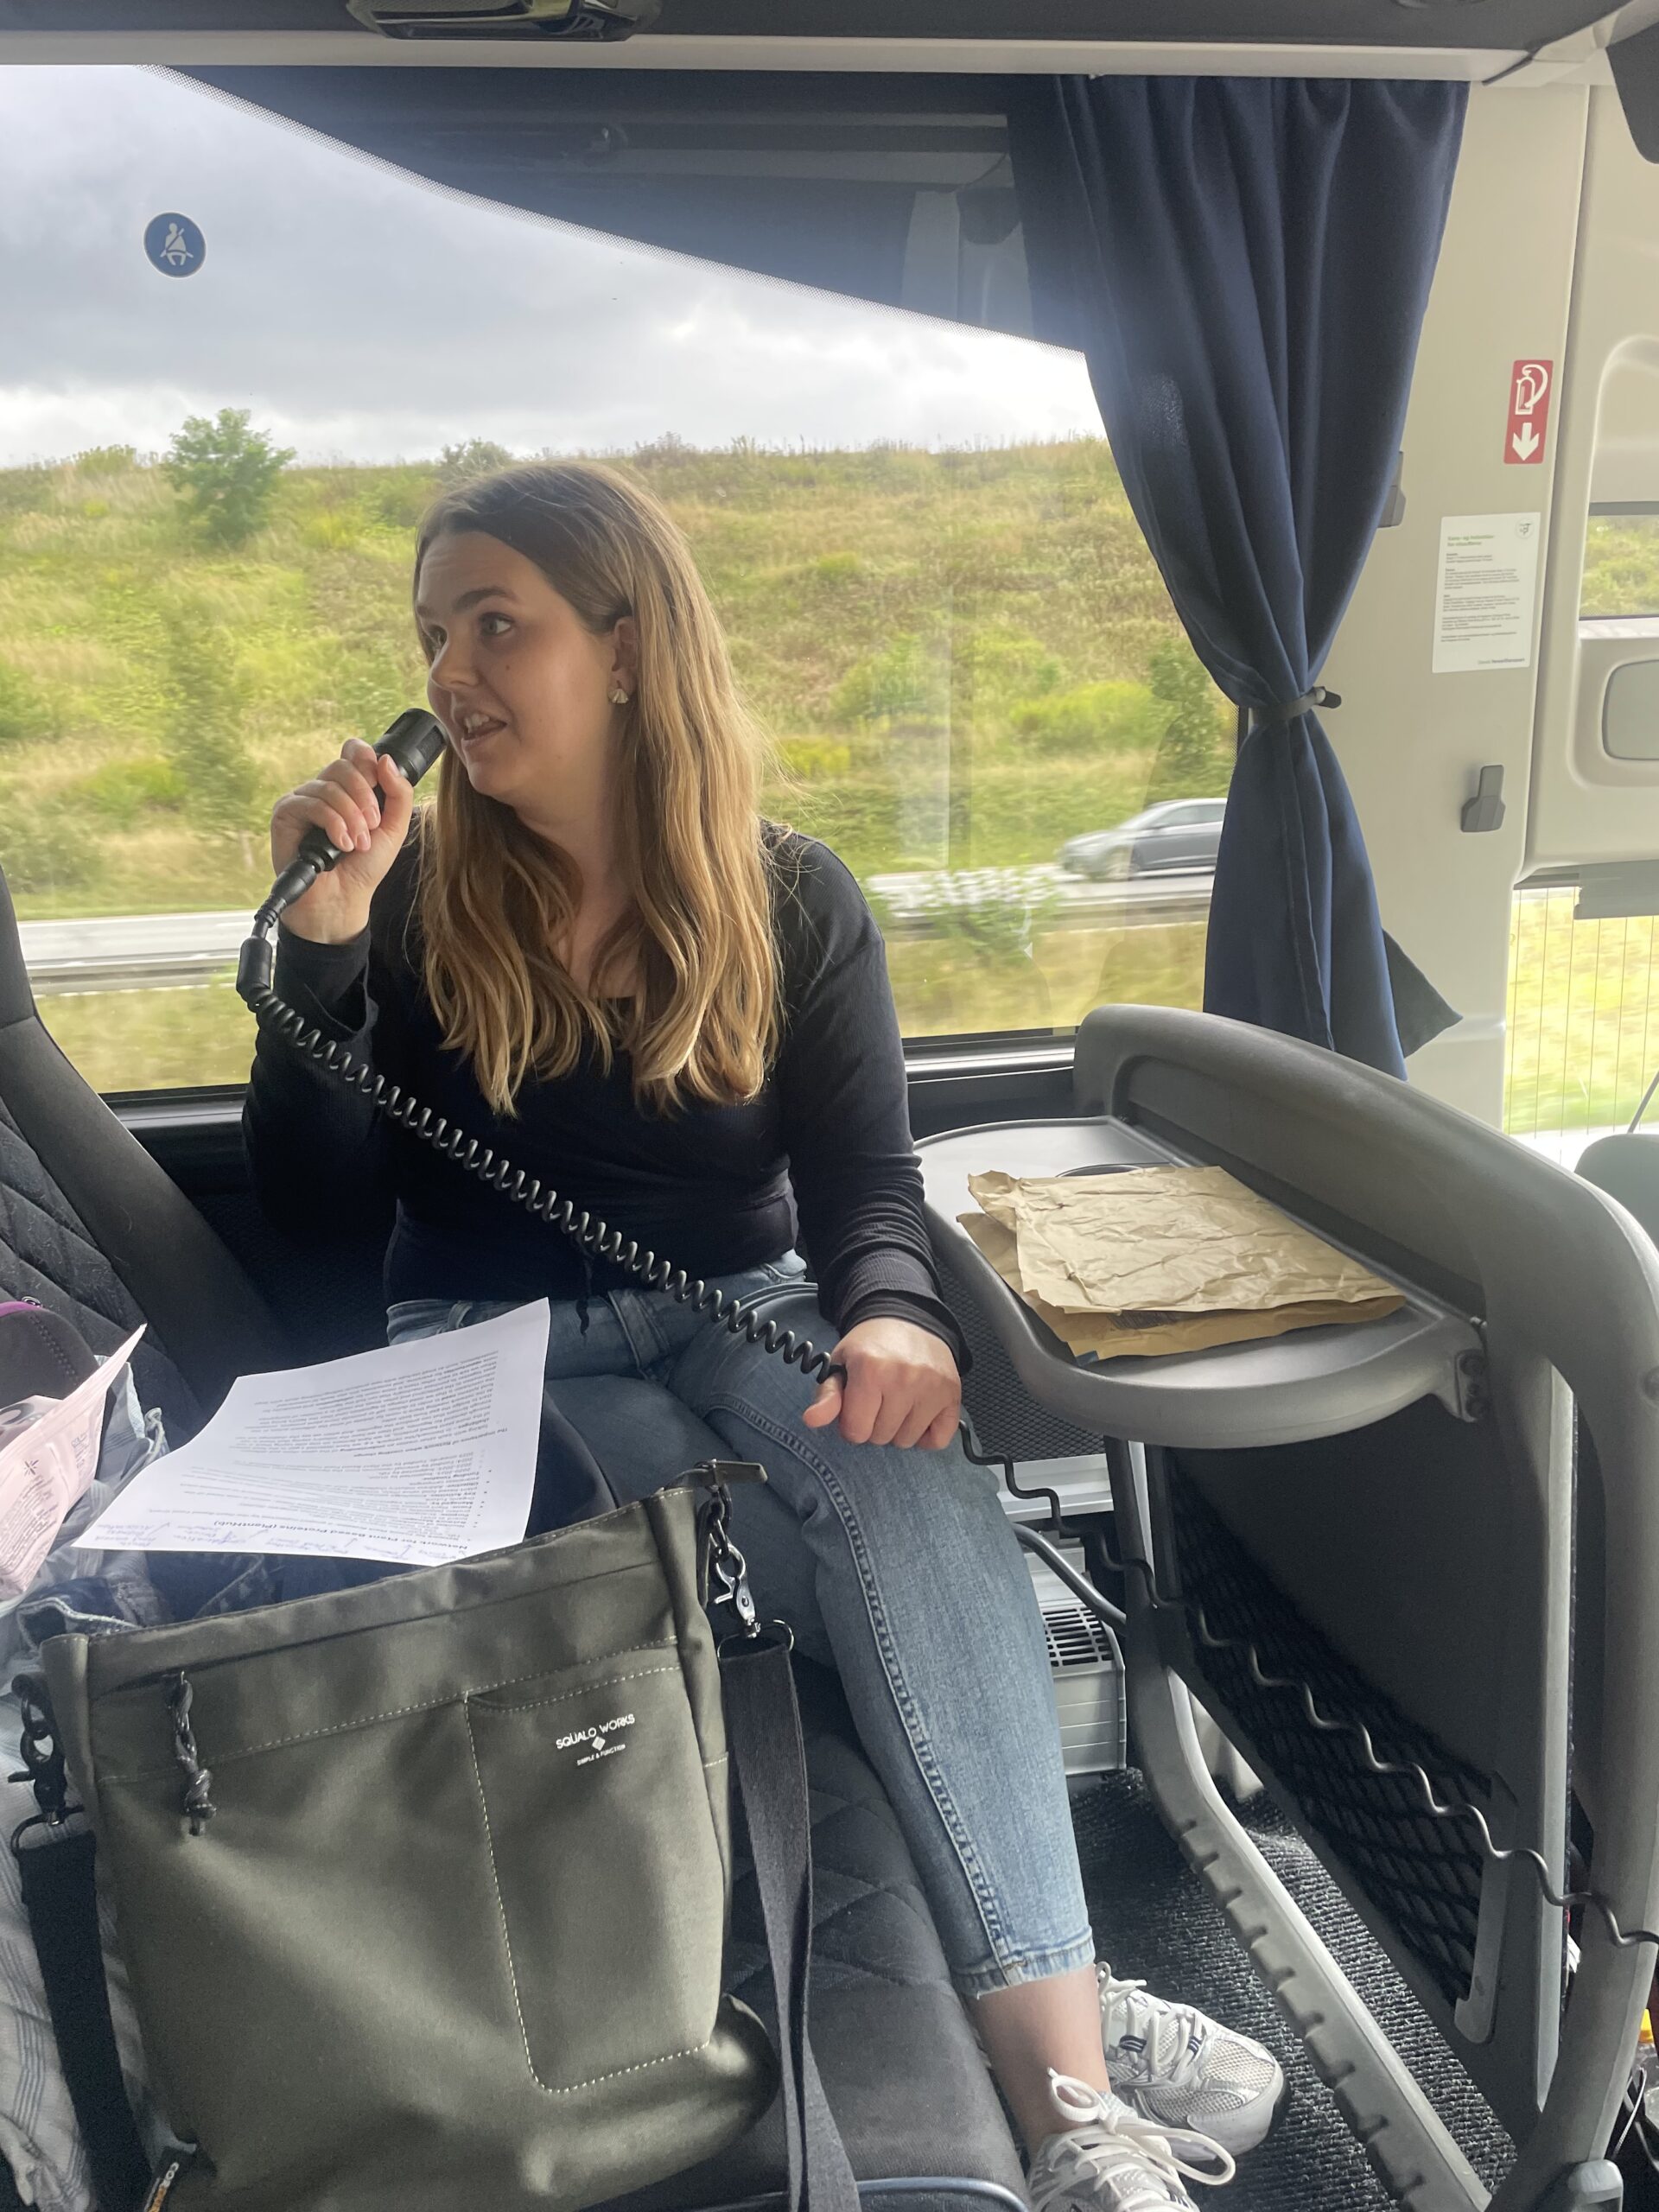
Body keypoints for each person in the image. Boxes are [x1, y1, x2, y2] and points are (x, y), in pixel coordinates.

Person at [244, 460, 1283, 2212]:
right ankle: (1056, 2004)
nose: (449, 675)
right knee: (745, 1554)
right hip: (500, 1346)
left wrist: (896, 1313)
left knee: (919, 1496)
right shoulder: (409, 902)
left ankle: (1067, 2115)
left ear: (627, 646)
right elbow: (317, 1230)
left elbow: (866, 1181)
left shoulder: (792, 894)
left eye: (495, 625)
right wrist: (325, 965)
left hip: (742, 1313)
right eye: (434, 636)